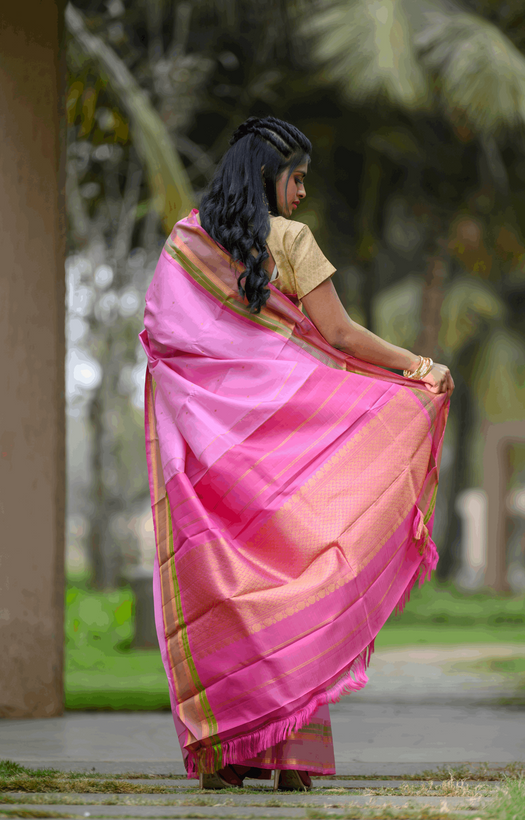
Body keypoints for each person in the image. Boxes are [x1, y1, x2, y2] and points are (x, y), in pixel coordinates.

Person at [139, 116, 453, 792]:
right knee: (291, 587)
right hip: (282, 458)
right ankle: (288, 762)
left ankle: (227, 755)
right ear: (266, 176)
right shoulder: (291, 242)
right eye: (296, 178)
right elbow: (337, 333)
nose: (302, 192)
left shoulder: (185, 246)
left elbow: (165, 346)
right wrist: (418, 367)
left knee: (229, 590)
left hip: (211, 460)